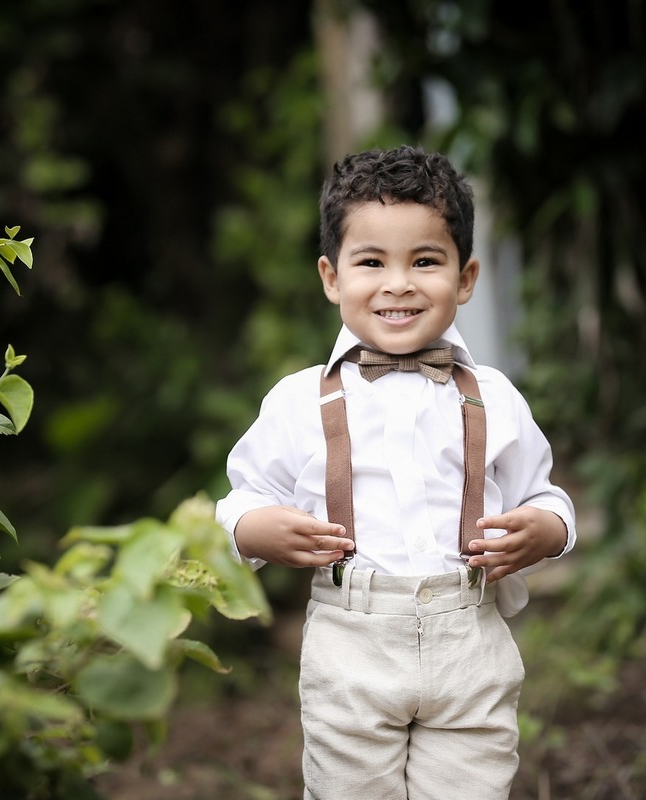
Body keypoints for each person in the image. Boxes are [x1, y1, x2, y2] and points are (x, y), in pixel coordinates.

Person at [216, 144, 576, 800]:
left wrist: (543, 531)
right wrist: (258, 530)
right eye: (372, 262)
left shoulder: (494, 395)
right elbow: (240, 499)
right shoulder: (298, 401)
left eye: (426, 261)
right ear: (331, 277)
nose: (399, 283)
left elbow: (546, 495)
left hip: (469, 639)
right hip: (351, 643)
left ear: (465, 279)